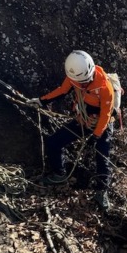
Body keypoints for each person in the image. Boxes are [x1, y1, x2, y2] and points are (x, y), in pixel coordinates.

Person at [28, 50, 115, 210]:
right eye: (78, 83)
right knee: (54, 142)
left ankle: (102, 191)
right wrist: (41, 101)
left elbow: (106, 114)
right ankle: (60, 174)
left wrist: (96, 136)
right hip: (83, 118)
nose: (80, 85)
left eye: (84, 82)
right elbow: (62, 90)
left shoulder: (105, 87)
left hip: (102, 123)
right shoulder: (74, 77)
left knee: (102, 156)